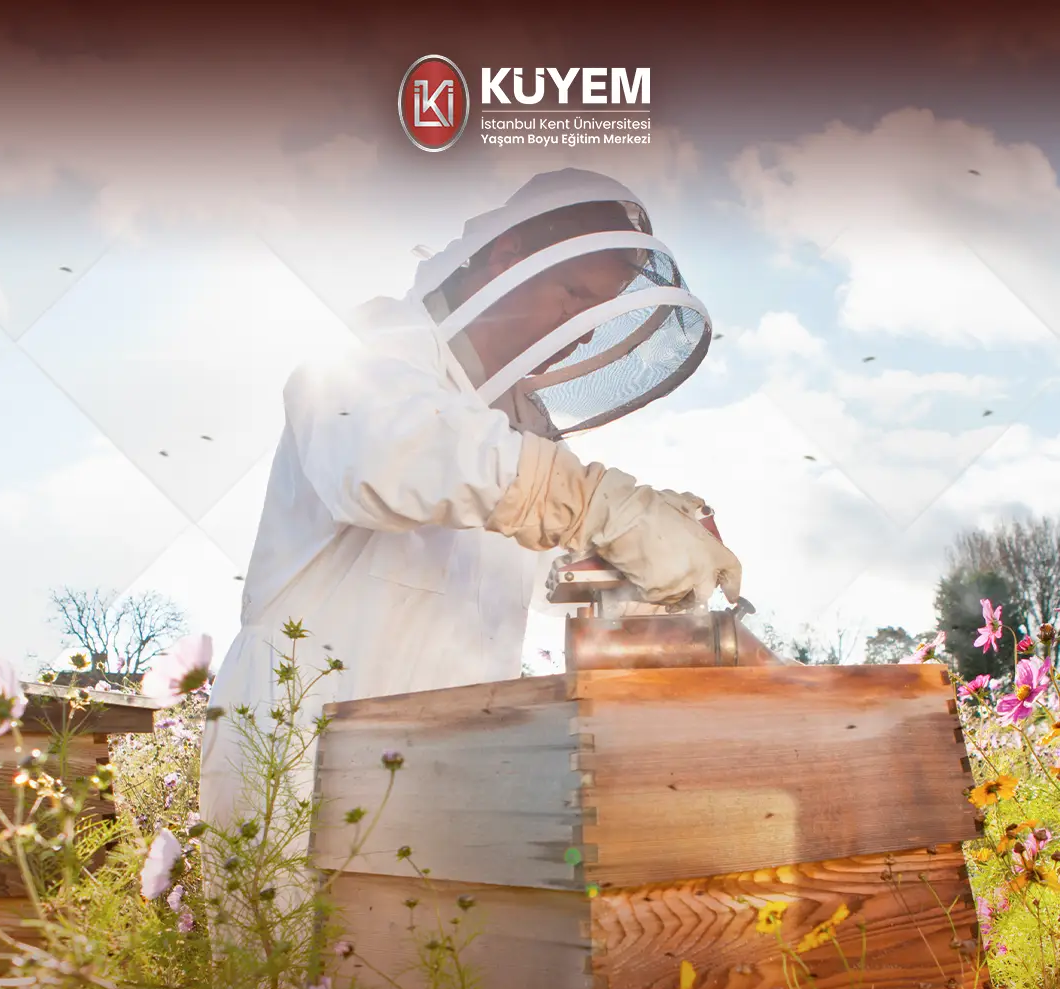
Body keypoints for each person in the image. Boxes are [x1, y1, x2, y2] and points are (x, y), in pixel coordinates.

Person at [199, 168, 743, 836]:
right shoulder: (371, 352)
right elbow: (388, 455)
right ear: (508, 261)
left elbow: (542, 574)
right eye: (571, 296)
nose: (581, 331)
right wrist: (593, 501)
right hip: (297, 751)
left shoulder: (513, 433)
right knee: (288, 941)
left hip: (450, 771)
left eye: (598, 311)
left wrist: (636, 567)